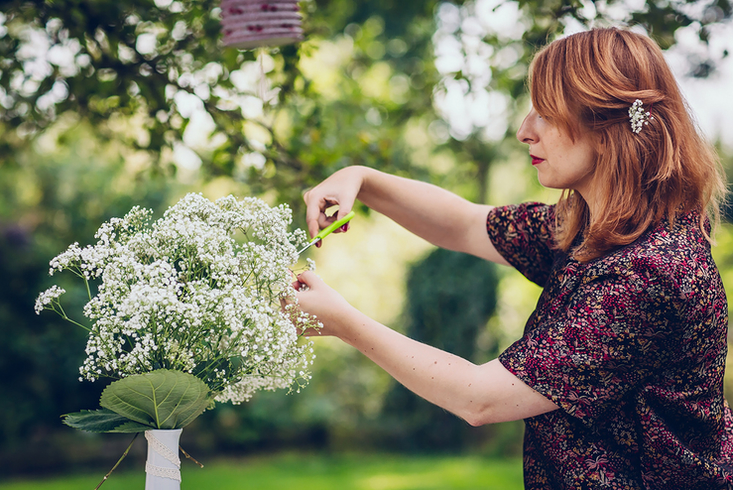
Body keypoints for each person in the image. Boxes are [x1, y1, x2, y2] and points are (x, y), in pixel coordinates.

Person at [293, 27, 733, 489]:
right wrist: (360, 179)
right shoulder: (590, 232)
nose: (525, 130)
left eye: (545, 112)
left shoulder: (650, 272)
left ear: (606, 129)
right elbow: (463, 223)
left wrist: (341, 321)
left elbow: (479, 399)